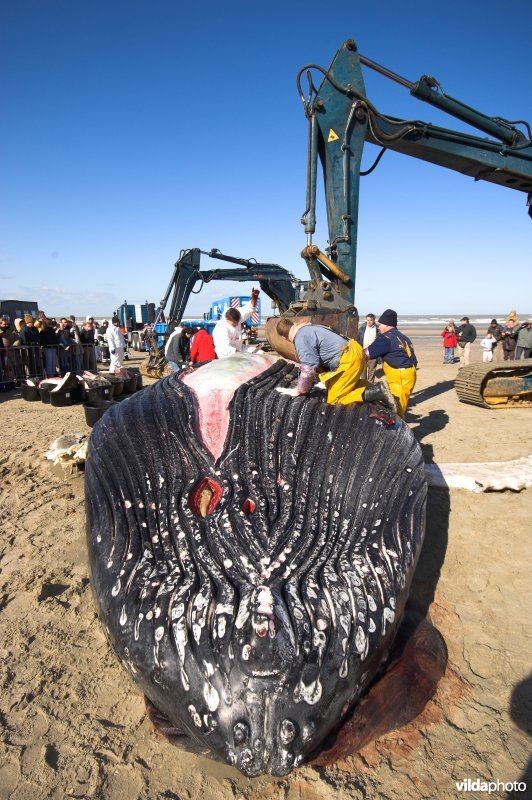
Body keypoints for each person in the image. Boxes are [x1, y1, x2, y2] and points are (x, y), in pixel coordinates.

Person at [275, 318, 396, 410]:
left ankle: (377, 391)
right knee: (350, 385)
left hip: (348, 358)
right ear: (293, 324)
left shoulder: (300, 337)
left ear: (284, 337)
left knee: (335, 400)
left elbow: (308, 368)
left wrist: (300, 390)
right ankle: (380, 390)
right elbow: (324, 357)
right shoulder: (309, 327)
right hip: (355, 350)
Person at [364, 309, 417, 418]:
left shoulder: (385, 338)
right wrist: (384, 370)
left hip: (400, 377)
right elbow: (412, 360)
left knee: (396, 410)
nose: (378, 327)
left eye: (380, 324)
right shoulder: (404, 337)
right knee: (399, 405)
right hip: (409, 375)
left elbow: (366, 354)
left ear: (387, 325)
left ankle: (398, 425)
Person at [213, 289, 260, 358]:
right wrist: (242, 356)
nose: (237, 325)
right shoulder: (221, 328)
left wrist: (254, 300)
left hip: (240, 349)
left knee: (260, 353)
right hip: (227, 356)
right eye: (234, 323)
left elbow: (248, 309)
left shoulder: (236, 315)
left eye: (238, 322)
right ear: (227, 319)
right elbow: (224, 349)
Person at [357, 313, 380, 381]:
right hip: (363, 353)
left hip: (373, 354)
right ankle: (364, 386)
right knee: (362, 373)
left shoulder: (377, 329)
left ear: (374, 320)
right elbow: (357, 340)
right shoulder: (362, 329)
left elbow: (380, 343)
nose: (369, 322)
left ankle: (370, 386)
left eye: (370, 320)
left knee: (371, 373)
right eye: (368, 320)